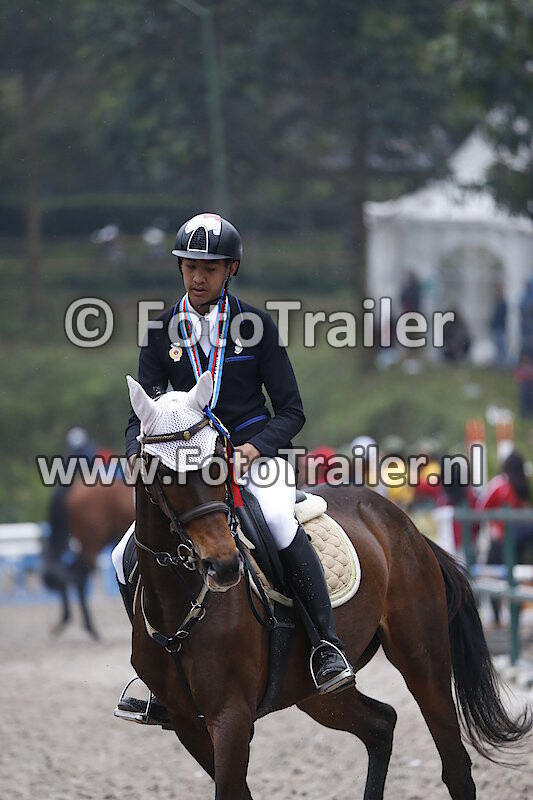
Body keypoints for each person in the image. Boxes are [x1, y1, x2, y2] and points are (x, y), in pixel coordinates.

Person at [112, 212, 355, 720]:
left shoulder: (257, 327)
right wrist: (136, 450)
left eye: (210, 268)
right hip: (190, 464)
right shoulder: (160, 331)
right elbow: (143, 413)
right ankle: (156, 671)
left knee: (279, 522)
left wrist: (254, 448)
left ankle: (324, 646)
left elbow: (291, 411)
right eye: (190, 267)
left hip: (251, 456)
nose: (198, 277)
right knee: (123, 554)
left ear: (231, 270)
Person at [475, 451, 531, 625]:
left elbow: (480, 508)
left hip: (500, 539)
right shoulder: (522, 484)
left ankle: (498, 620)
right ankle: (515, 620)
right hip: (519, 541)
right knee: (514, 579)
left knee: (492, 578)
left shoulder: (500, 483)